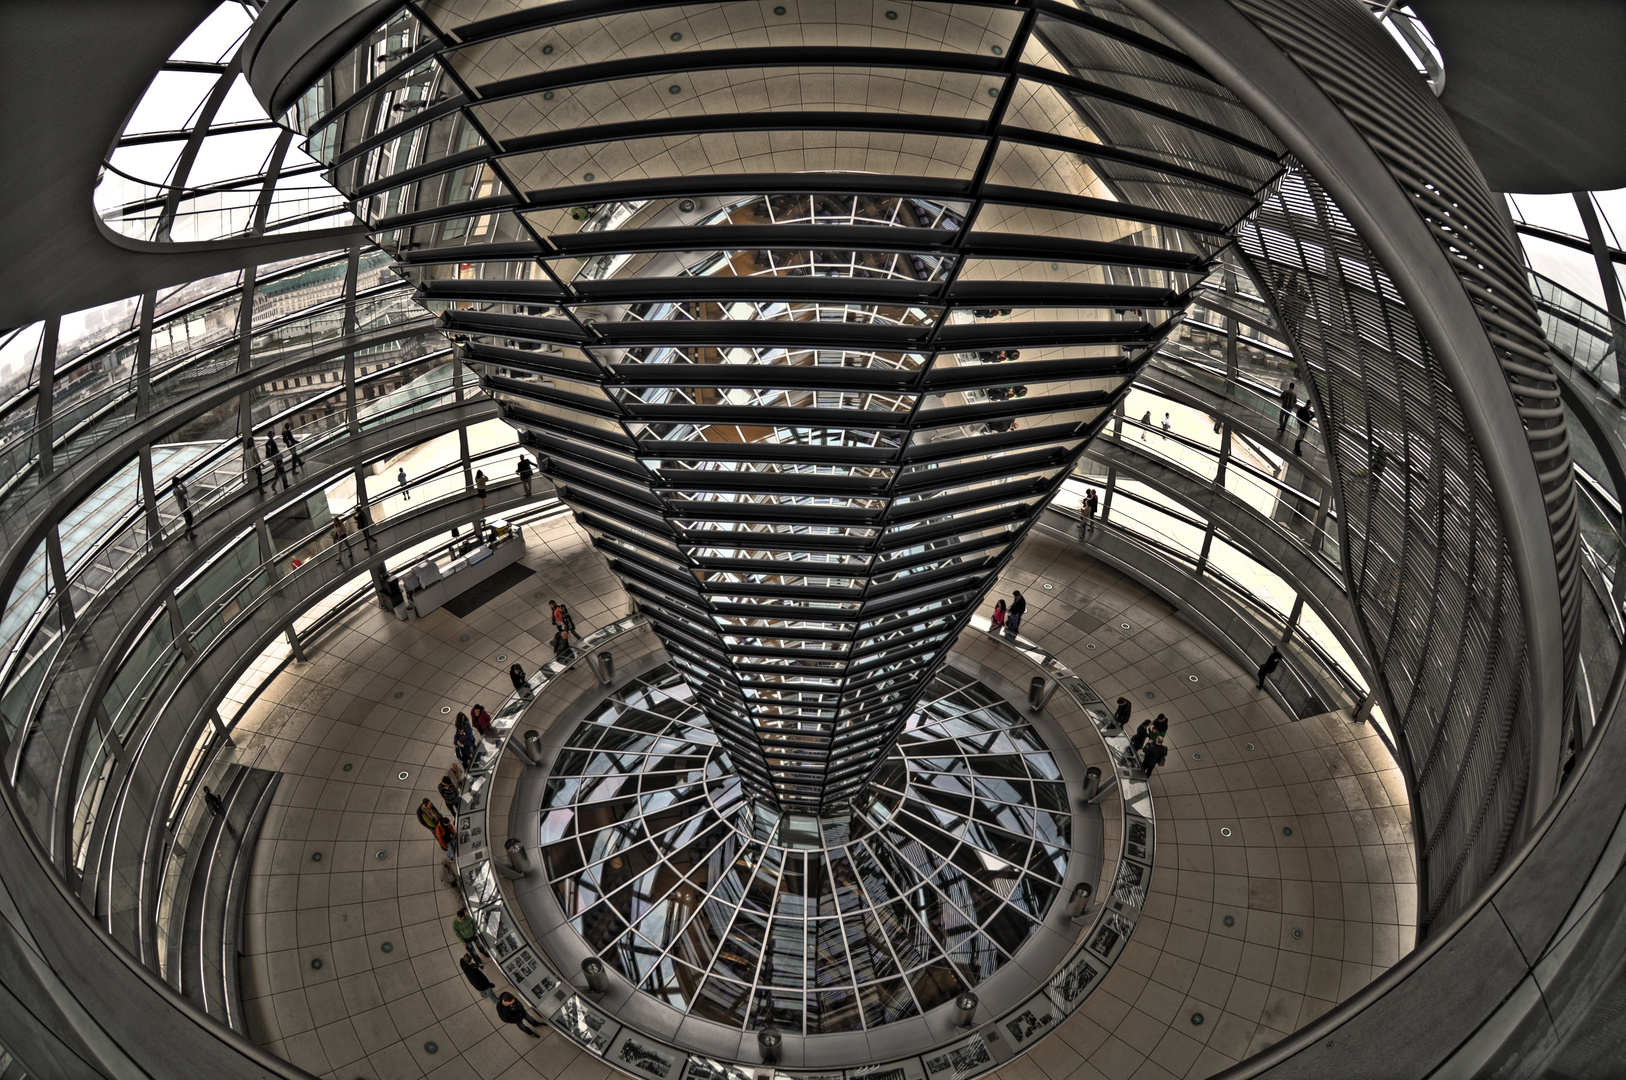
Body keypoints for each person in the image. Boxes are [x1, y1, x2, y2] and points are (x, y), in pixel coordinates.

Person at [171, 476, 195, 541]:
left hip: (182, 507)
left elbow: (180, 497)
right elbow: (185, 491)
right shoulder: (177, 490)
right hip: (184, 507)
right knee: (189, 519)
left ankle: (191, 534)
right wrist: (182, 485)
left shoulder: (175, 490)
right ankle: (186, 533)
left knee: (188, 520)